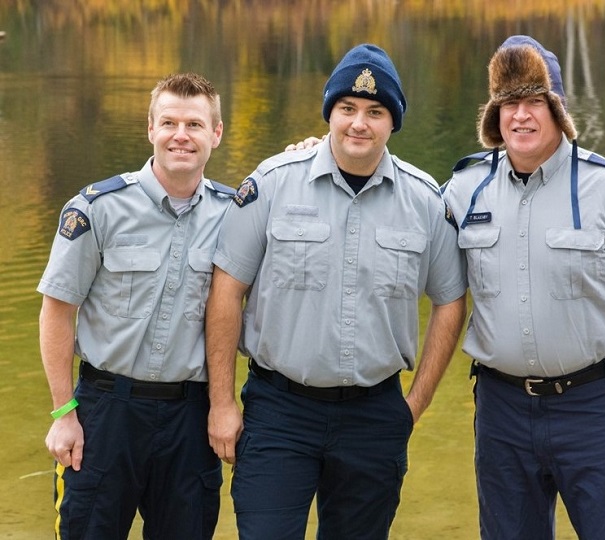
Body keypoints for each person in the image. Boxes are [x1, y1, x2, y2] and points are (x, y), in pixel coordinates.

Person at [205, 43, 467, 539]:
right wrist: (222, 403)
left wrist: (414, 406)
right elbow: (226, 290)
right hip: (280, 412)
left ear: (394, 123)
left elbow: (451, 300)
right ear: (330, 113)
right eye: (347, 109)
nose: (359, 124)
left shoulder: (425, 201)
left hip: (375, 416)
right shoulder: (272, 184)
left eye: (375, 112)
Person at [440, 35, 605, 539]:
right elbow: (396, 225)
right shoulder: (464, 189)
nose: (521, 116)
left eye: (535, 101)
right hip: (501, 413)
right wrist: (325, 152)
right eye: (509, 103)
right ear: (494, 113)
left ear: (558, 110)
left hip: (595, 408)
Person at [37, 72, 233, 539]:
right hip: (106, 414)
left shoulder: (237, 214)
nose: (181, 135)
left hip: (191, 418)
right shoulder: (96, 209)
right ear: (150, 129)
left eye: (195, 124)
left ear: (216, 134)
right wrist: (63, 414)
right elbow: (57, 312)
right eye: (168, 122)